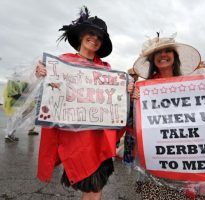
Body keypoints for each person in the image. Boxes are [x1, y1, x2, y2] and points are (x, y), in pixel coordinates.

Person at [35, 7, 133, 200]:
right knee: (92, 189)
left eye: (99, 37)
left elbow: (115, 103)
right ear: (80, 36)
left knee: (95, 188)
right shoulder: (61, 62)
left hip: (98, 138)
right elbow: (50, 93)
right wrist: (40, 73)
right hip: (75, 139)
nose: (95, 39)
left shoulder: (106, 69)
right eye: (91, 33)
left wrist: (127, 90)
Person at [132, 34, 205, 200]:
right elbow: (136, 124)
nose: (163, 55)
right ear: (153, 59)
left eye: (168, 51)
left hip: (185, 156)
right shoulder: (145, 88)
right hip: (158, 156)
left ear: (175, 56)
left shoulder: (192, 81)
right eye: (158, 53)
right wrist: (136, 100)